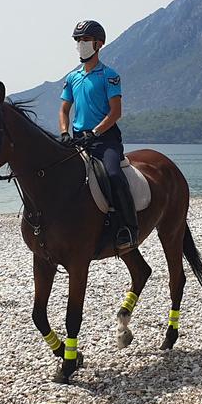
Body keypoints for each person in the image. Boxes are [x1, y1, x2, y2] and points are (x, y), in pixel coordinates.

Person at [59, 20, 137, 253]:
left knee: (113, 173)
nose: (80, 45)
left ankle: (128, 228)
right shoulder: (72, 78)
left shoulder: (109, 75)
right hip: (77, 139)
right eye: (78, 41)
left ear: (98, 44)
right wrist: (64, 133)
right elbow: (64, 109)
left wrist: (95, 132)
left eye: (84, 40)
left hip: (105, 140)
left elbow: (116, 112)